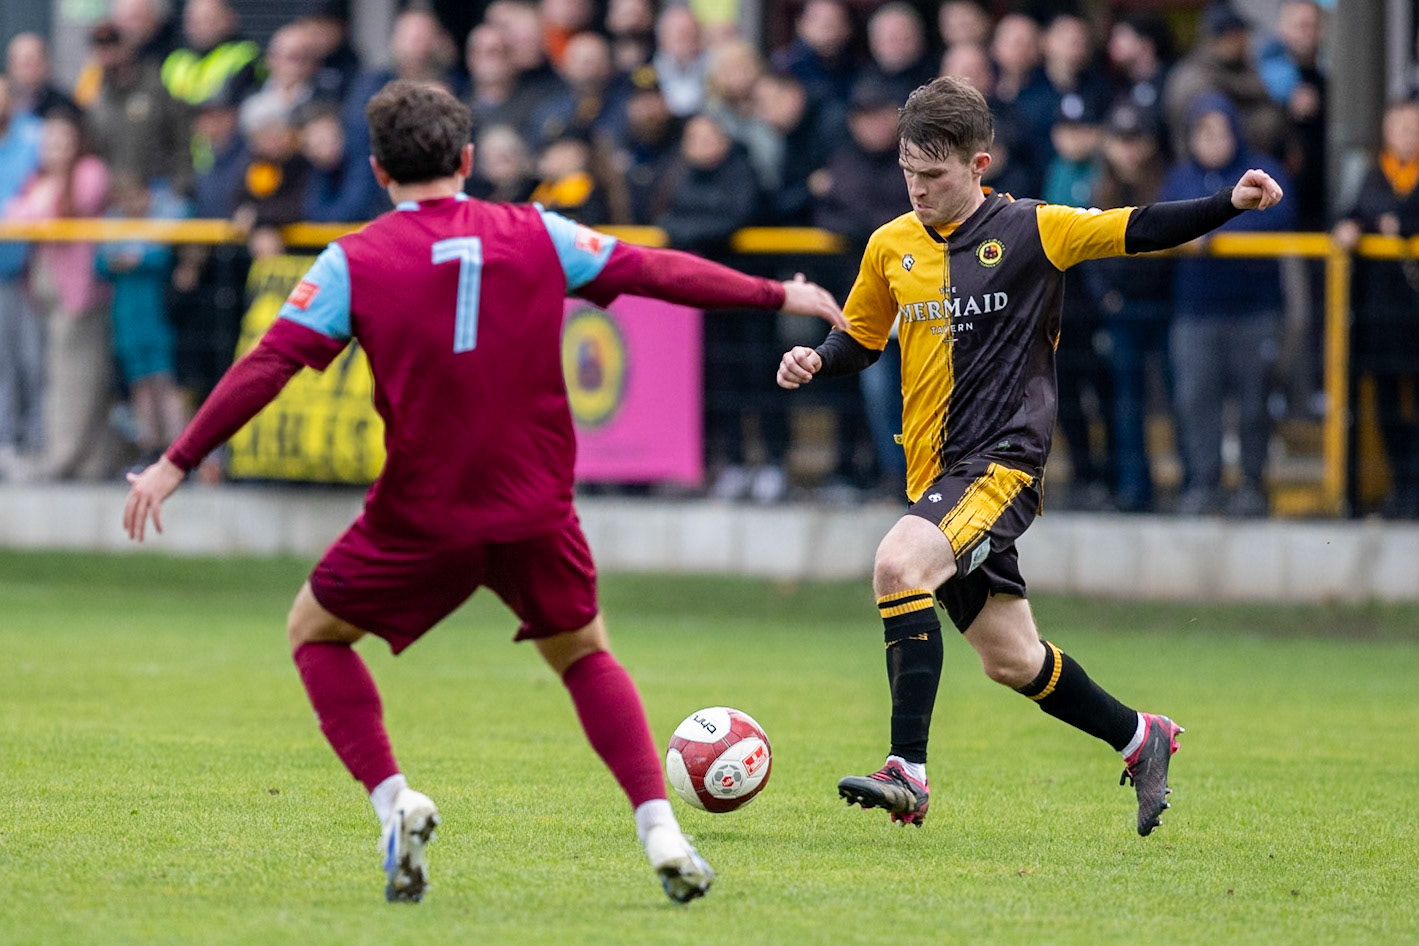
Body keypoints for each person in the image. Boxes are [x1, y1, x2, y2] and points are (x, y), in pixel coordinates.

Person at [122, 80, 846, 904]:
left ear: (377, 169)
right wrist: (773, 292)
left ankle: (395, 801)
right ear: (467, 160)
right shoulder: (539, 233)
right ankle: (661, 832)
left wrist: (176, 460)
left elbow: (268, 365)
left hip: (421, 510)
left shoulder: (352, 261)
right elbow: (655, 271)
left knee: (315, 635)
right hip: (534, 504)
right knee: (582, 654)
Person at [775, 76, 1283, 835]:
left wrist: (1227, 205)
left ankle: (905, 772)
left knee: (896, 566)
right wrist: (818, 359)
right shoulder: (889, 245)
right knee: (1011, 660)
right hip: (933, 476)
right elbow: (861, 338)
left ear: (979, 165)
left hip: (1000, 465)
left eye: (934, 175)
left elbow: (1135, 226)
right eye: (908, 172)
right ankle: (1140, 738)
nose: (917, 188)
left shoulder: (1033, 229)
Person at [1333, 99, 1419, 519]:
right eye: (1400, 125)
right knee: (1386, 404)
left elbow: (1398, 219)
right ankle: (1402, 488)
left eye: (1414, 125)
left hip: (1412, 313)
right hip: (1382, 317)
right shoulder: (1372, 173)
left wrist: (1393, 223)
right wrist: (1369, 224)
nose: (1408, 133)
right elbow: (1351, 215)